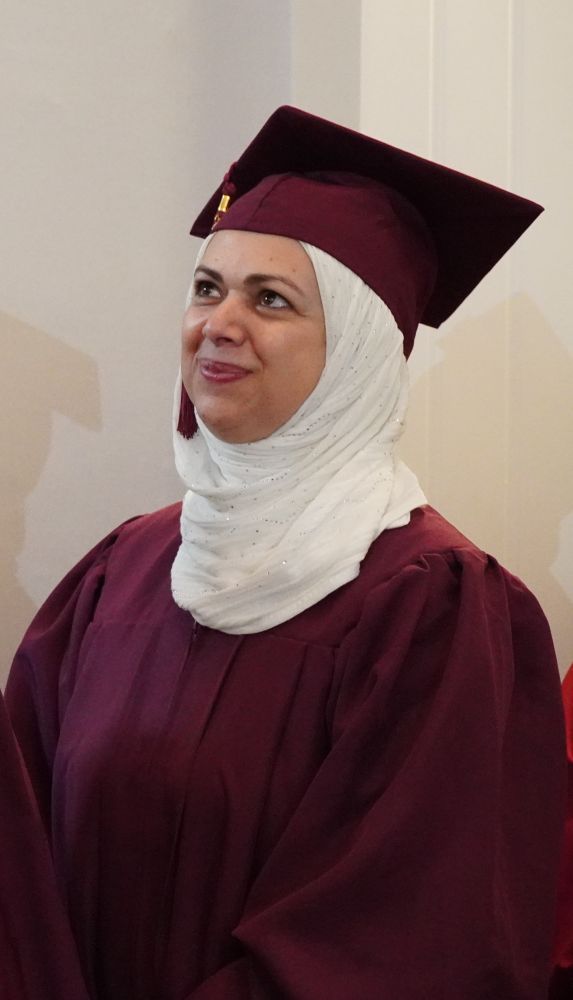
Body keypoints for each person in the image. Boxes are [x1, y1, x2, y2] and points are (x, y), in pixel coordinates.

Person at [3, 106, 566, 999]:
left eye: (270, 299)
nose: (218, 324)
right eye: (206, 288)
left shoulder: (430, 606)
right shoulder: (123, 572)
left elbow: (403, 936)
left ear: (357, 353)